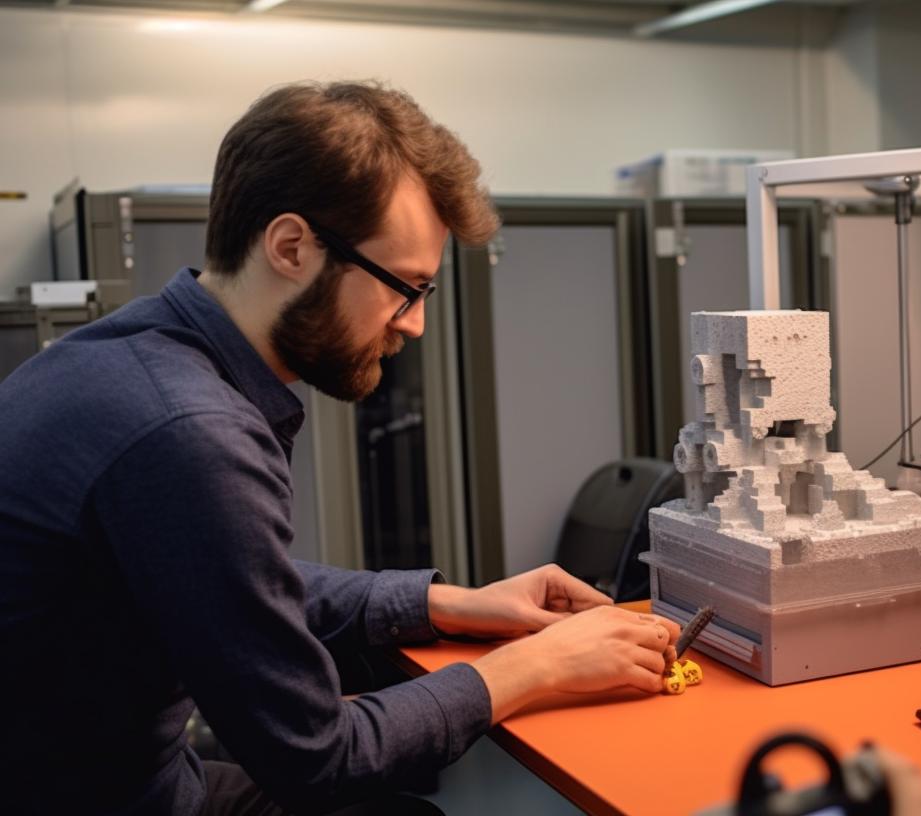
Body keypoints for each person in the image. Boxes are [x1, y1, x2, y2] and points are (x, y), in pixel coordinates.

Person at [0, 80, 683, 815]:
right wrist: (532, 669)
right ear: (292, 247)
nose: (415, 325)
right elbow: (316, 758)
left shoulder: (130, 352)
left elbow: (233, 582)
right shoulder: (190, 432)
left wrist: (448, 604)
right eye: (405, 288)